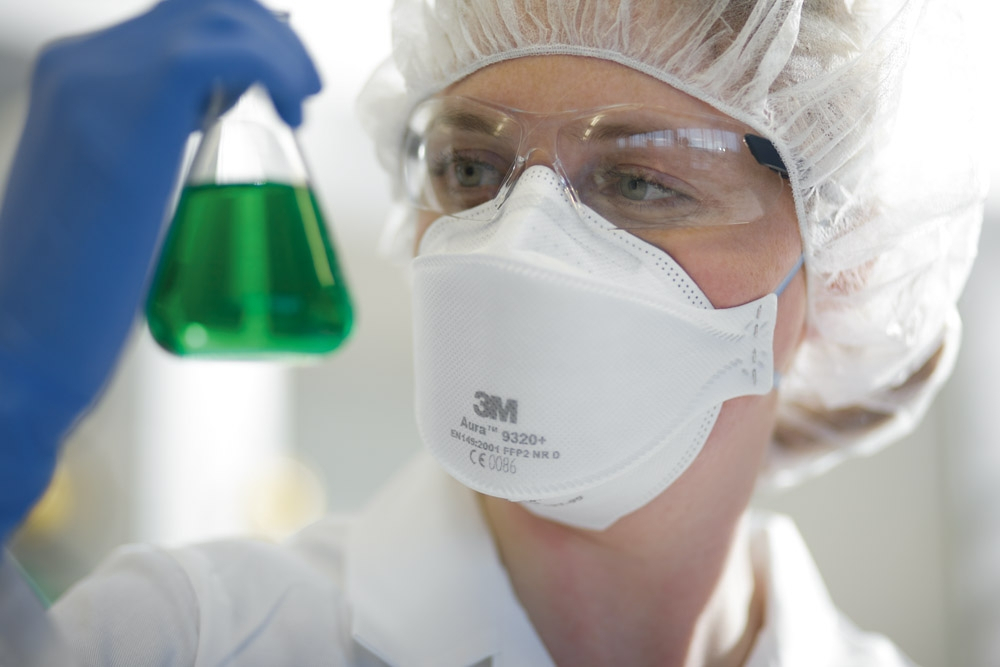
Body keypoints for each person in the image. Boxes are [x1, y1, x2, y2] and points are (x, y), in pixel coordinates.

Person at [0, 0, 986, 665]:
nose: (520, 244)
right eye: (470, 170)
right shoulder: (194, 637)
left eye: (640, 181)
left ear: (839, 265)